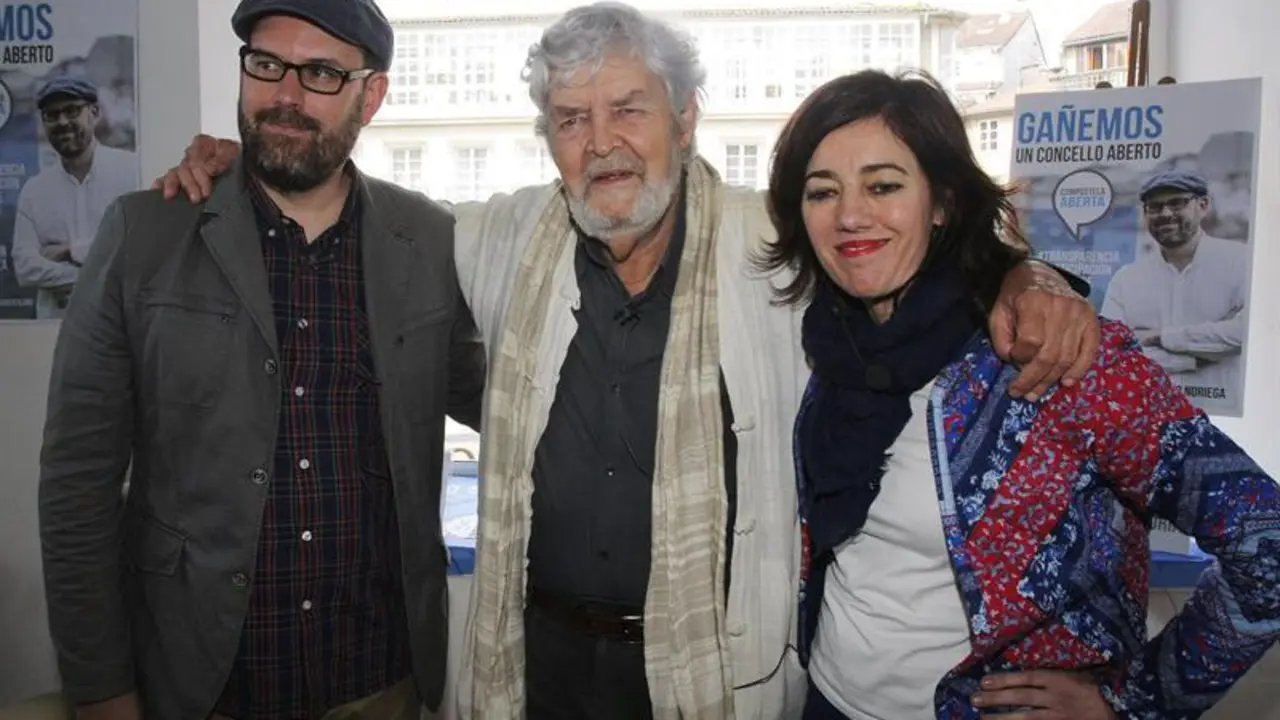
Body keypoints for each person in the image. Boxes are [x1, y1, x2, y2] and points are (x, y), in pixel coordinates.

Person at [155, 4, 1103, 717]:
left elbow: (914, 247)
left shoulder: (769, 242)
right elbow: (365, 212)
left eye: (626, 109)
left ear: (686, 119)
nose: (600, 141)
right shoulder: (504, 238)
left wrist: (1031, 276)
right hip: (538, 666)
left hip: (710, 672)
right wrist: (261, 152)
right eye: (569, 118)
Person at [761, 69, 1280, 720]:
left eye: (884, 185)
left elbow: (1267, 541)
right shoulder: (823, 343)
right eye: (821, 192)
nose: (850, 215)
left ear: (942, 201)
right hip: (828, 698)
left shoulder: (1056, 358)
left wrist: (1134, 700)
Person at [38, 1, 485, 719]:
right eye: (267, 64)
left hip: (378, 680)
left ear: (371, 96)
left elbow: (497, 394)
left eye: (320, 74)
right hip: (199, 683)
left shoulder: (429, 241)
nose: (285, 94)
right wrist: (99, 687)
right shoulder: (146, 233)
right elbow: (75, 483)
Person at [1100, 170, 1248, 411]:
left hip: (1222, 417)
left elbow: (1244, 334)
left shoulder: (1241, 262)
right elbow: (1111, 351)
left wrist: (1157, 337)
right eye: (1155, 207)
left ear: (1203, 205)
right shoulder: (1127, 279)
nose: (1166, 214)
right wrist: (1196, 357)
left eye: (1177, 203)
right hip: (1148, 417)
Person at [10, 76, 138, 319]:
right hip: (54, 328)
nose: (62, 122)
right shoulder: (35, 191)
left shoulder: (131, 172)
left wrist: (70, 251)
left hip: (117, 326)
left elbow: (135, 251)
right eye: (52, 114)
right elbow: (25, 269)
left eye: (71, 111)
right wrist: (92, 278)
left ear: (94, 112)